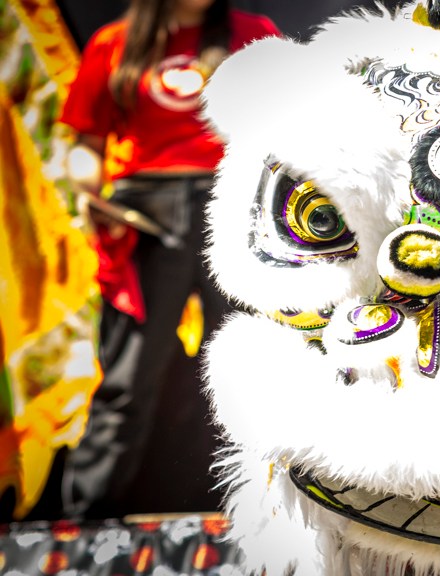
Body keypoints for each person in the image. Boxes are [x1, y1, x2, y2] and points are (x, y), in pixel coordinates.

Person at [58, 0, 280, 519]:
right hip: (145, 213)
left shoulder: (255, 34)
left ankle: (269, 513)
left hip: (236, 203)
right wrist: (89, 190)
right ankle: (81, 526)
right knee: (129, 375)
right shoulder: (115, 43)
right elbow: (84, 143)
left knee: (257, 366)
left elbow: (290, 126)